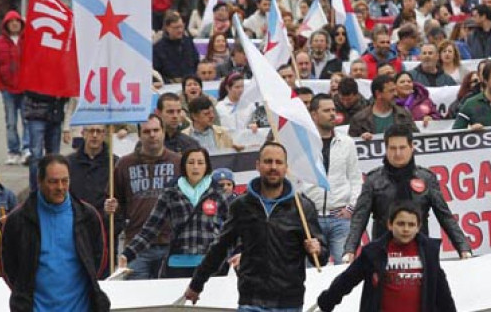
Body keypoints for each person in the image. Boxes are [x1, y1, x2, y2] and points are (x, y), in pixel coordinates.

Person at [185, 142, 327, 310]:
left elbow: (322, 257)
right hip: (251, 300)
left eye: (278, 162)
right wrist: (196, 284)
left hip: (288, 302)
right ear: (258, 165)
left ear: (286, 167)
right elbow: (220, 247)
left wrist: (317, 251)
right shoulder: (241, 205)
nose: (273, 167)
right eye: (268, 161)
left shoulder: (303, 207)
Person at [344, 124, 472, 262]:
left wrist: (463, 248)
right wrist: (350, 250)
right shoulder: (373, 180)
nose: (398, 153)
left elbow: (445, 216)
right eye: (392, 148)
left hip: (420, 252)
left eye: (402, 148)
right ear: (386, 149)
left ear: (412, 147)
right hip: (383, 252)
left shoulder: (427, 178)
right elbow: (359, 218)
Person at [1, 155, 111, 311]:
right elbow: (8, 267)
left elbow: (98, 261)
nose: (60, 187)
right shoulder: (18, 220)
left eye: (65, 181)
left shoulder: (87, 216)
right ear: (39, 181)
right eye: (53, 182)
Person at [317, 204, 457, 311]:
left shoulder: (429, 252)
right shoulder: (373, 252)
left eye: (411, 224)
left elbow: (442, 292)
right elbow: (347, 279)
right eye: (401, 224)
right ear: (390, 224)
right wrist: (327, 301)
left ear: (418, 227)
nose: (406, 229)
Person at [119, 148, 230, 278]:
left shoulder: (218, 193)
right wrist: (128, 253)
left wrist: (239, 252)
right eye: (191, 162)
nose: (195, 167)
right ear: (183, 165)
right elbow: (150, 229)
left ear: (207, 166)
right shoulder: (171, 193)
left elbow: (233, 227)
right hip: (179, 263)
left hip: (211, 262)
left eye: (200, 163)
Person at [105, 115, 182, 280]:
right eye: (147, 131)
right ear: (139, 135)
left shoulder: (178, 162)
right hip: (136, 246)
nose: (152, 135)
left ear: (163, 132)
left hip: (171, 244)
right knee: (137, 300)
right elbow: (116, 200)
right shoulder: (124, 164)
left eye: (156, 130)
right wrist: (111, 206)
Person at [303, 94, 363, 265]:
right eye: (326, 110)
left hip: (340, 219)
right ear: (314, 115)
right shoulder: (303, 143)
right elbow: (294, 180)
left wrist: (351, 208)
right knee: (311, 272)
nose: (332, 114)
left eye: (333, 110)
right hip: (311, 219)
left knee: (345, 270)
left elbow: (355, 179)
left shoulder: (347, 143)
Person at [0, 10, 29, 166]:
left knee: (27, 120)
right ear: (6, 25)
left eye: (17, 22)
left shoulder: (27, 40)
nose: (14, 24)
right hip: (8, 90)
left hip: (25, 89)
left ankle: (27, 149)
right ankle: (13, 151)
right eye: (11, 22)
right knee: (11, 122)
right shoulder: (0, 42)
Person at [348, 75, 419, 140]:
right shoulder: (359, 119)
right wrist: (361, 139)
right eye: (391, 91)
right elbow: (350, 145)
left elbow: (417, 138)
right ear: (378, 94)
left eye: (395, 90)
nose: (396, 94)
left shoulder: (404, 114)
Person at [153, 12, 200, 83]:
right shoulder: (158, 48)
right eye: (176, 28)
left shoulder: (188, 42)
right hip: (169, 85)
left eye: (181, 26)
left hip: (190, 82)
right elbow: (157, 71)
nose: (180, 30)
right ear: (167, 28)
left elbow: (196, 61)